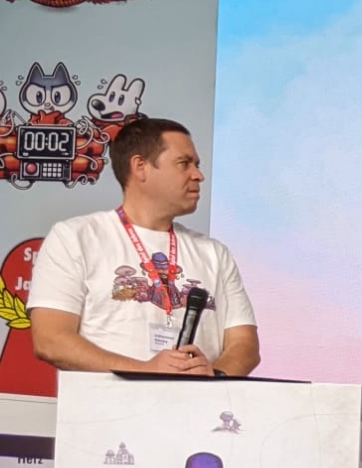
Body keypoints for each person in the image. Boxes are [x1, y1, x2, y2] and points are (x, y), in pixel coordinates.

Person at [27, 116, 260, 378]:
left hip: (199, 403)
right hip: (108, 404)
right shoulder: (75, 237)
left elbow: (245, 345)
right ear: (140, 167)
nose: (198, 175)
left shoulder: (214, 253)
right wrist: (146, 372)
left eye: (197, 165)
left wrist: (214, 375)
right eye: (184, 163)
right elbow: (51, 340)